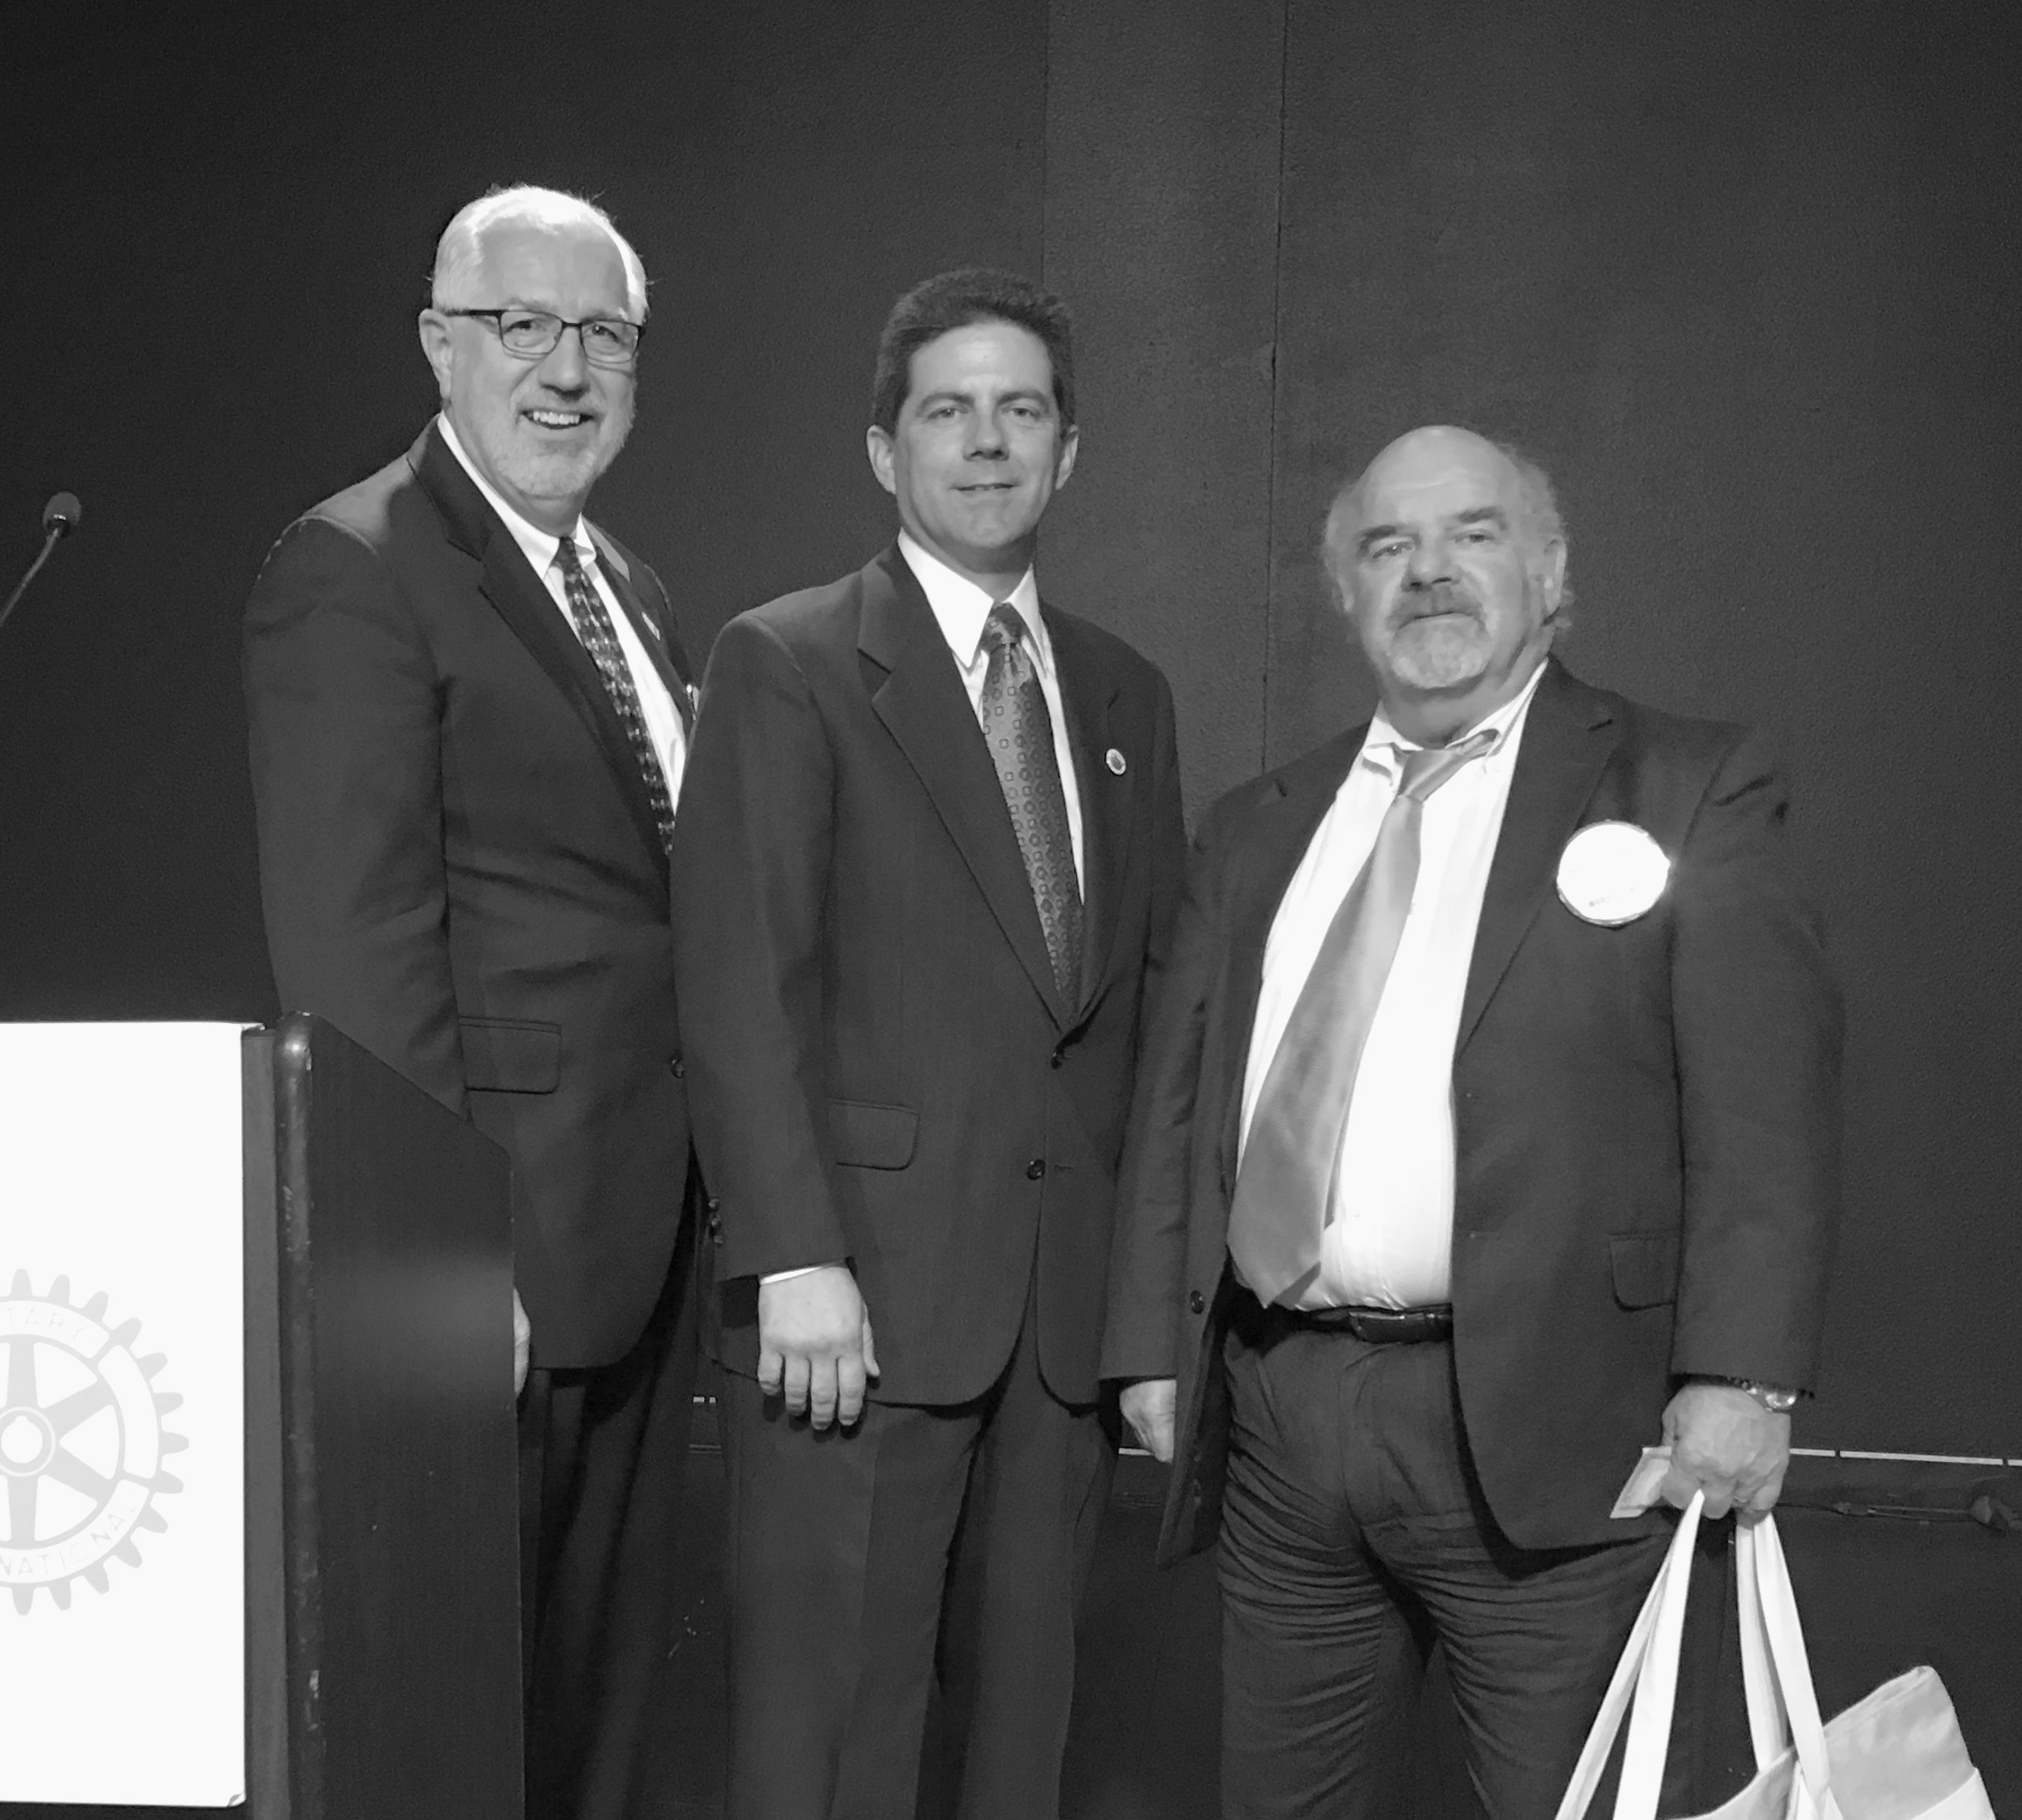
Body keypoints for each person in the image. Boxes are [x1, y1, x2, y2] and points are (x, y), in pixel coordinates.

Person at [1105, 425, 1841, 1818]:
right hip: (1284, 1417)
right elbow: (1182, 1096)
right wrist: (1151, 1339)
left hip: (1564, 1425)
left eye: (1473, 534)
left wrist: (1745, 1378)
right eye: (1388, 544)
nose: (1429, 571)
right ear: (1345, 590)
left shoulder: (1689, 784)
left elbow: (1766, 1104)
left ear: (1551, 573)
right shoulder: (1259, 823)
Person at [675, 268, 1186, 1820]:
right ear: (883, 450)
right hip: (854, 1311)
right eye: (948, 411)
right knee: (832, 1742)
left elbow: (1148, 1011)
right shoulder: (788, 660)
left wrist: (1149, 1307)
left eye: (1021, 411)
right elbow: (738, 983)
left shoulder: (1125, 693)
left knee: (1023, 1747)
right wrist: (791, 1253)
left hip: (1059, 1323)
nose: (987, 441)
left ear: (1069, 452)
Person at [240, 184, 698, 1820]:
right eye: (522, 326)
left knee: (592, 1721)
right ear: (441, 344)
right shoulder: (356, 564)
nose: (564, 369)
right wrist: (438, 1250)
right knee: (458, 1726)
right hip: (492, 1252)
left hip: (636, 1232)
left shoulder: (624, 583)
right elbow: (353, 940)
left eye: (602, 334)